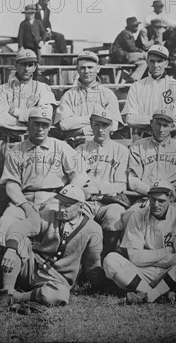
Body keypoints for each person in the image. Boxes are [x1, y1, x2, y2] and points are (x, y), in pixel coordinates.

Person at [0, 184, 104, 311]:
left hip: (56, 279)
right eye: (60, 204)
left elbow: (93, 262)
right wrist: (11, 249)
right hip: (32, 267)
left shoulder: (93, 229)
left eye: (67, 206)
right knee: (20, 241)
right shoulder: (48, 215)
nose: (62, 209)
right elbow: (20, 227)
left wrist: (98, 284)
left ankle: (17, 297)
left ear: (81, 207)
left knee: (60, 294)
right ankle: (6, 292)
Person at [0, 105, 88, 247]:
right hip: (23, 200)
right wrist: (26, 207)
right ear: (28, 126)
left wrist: (64, 197)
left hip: (53, 199)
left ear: (49, 127)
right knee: (5, 222)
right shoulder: (16, 151)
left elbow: (80, 175)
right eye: (36, 123)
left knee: (57, 231)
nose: (40, 128)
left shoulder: (61, 147)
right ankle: (3, 258)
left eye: (44, 125)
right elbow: (11, 185)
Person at [103, 180, 176, 304]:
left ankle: (147, 295)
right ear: (148, 197)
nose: (156, 204)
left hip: (169, 272)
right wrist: (167, 252)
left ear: (171, 199)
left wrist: (149, 256)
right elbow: (134, 257)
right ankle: (156, 295)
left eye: (161, 201)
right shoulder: (138, 216)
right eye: (153, 199)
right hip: (142, 272)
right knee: (110, 260)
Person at [77, 108, 130, 256]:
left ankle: (105, 259)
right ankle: (83, 265)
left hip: (109, 202)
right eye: (97, 125)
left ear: (111, 127)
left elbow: (121, 184)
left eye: (105, 125)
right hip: (86, 201)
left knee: (115, 215)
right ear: (91, 125)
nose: (101, 130)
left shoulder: (121, 150)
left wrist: (96, 190)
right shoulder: (81, 150)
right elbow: (77, 181)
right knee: (75, 217)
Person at [0, 49, 57, 171]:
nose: (26, 68)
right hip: (10, 144)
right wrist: (33, 119)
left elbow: (47, 115)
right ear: (16, 65)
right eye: (23, 64)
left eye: (30, 65)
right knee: (8, 185)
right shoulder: (3, 89)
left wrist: (17, 112)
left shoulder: (42, 88)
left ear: (35, 67)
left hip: (34, 144)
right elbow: (1, 120)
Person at [125, 107, 176, 224]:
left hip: (174, 199)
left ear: (172, 126)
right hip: (146, 198)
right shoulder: (138, 146)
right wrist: (153, 195)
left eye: (165, 125)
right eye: (158, 124)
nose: (161, 129)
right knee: (129, 217)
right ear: (151, 123)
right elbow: (133, 180)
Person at [54, 51, 122, 145]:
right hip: (76, 144)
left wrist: (81, 130)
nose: (86, 71)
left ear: (98, 68)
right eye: (82, 68)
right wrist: (97, 121)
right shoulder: (69, 95)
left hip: (100, 144)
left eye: (90, 67)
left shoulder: (108, 94)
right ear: (77, 69)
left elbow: (113, 126)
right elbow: (64, 124)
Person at [121, 45, 176, 136]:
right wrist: (163, 121)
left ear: (166, 63)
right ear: (147, 62)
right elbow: (130, 120)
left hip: (168, 138)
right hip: (143, 137)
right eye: (152, 61)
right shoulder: (137, 86)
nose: (156, 65)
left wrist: (144, 120)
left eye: (159, 61)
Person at [110, 17, 148, 82]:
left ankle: (132, 80)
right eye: (135, 26)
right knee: (145, 56)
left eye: (137, 26)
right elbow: (131, 48)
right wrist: (142, 51)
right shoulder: (125, 34)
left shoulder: (129, 34)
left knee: (143, 63)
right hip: (120, 57)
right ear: (130, 26)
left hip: (126, 57)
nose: (137, 28)